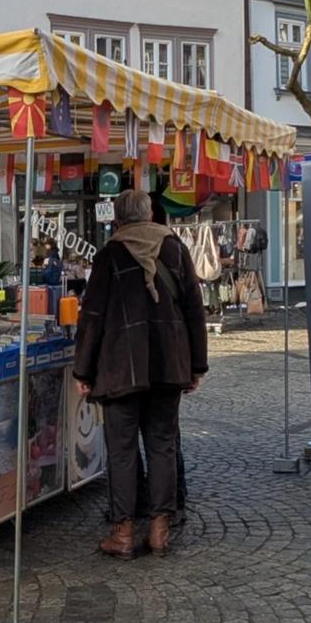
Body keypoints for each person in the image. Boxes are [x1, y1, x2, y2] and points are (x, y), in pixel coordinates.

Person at [73, 188, 207, 559]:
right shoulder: (175, 249)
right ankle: (160, 530)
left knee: (122, 450)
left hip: (121, 369)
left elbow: (92, 318)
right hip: (169, 364)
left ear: (118, 217)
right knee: (162, 445)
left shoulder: (110, 254)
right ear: (149, 215)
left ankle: (123, 532)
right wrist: (196, 365)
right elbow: (195, 310)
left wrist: (83, 369)